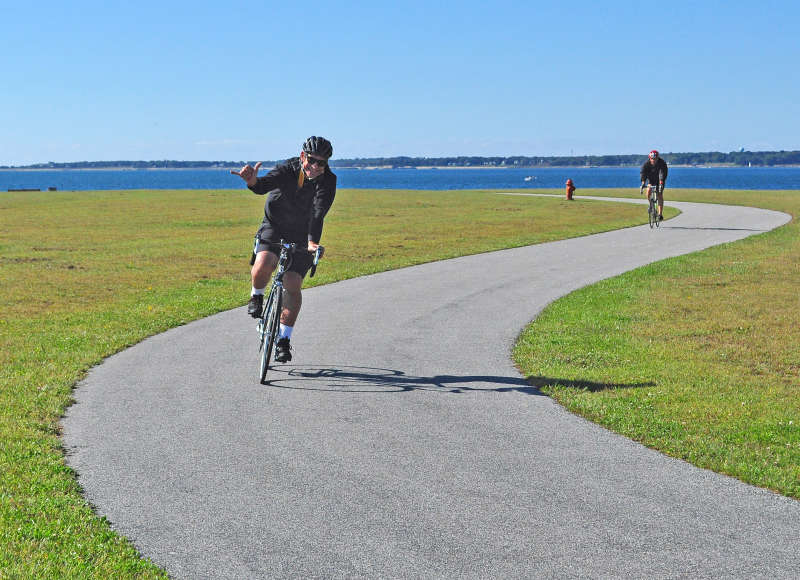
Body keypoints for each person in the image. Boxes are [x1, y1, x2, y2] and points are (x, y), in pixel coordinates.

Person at [230, 136, 336, 363]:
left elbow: (318, 213)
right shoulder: (287, 169)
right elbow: (263, 186)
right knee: (264, 265)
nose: (316, 166)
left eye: (322, 163)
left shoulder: (328, 181)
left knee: (292, 283)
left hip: (303, 235)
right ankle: (256, 296)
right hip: (274, 225)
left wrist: (312, 242)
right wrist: (252, 182)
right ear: (302, 156)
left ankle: (283, 340)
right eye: (311, 160)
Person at [640, 149, 668, 221]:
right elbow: (643, 173)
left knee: (659, 195)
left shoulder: (662, 163)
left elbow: (663, 173)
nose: (653, 160)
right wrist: (643, 183)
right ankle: (651, 205)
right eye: (652, 159)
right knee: (648, 191)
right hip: (651, 180)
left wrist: (661, 182)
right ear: (649, 158)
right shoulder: (646, 164)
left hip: (660, 181)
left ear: (658, 158)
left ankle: (660, 214)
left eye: (655, 159)